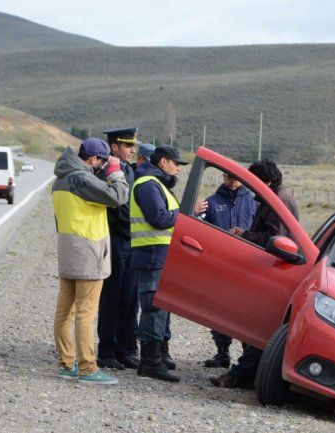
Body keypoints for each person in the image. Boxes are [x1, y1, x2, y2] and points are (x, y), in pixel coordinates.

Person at [211, 159, 299, 389]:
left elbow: (274, 239)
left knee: (260, 326)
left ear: (266, 182)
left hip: (274, 273)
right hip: (270, 271)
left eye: (254, 181)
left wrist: (244, 235)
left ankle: (241, 375)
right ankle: (245, 373)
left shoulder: (277, 201)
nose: (250, 187)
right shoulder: (272, 198)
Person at [51, 138, 129, 385]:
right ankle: (87, 368)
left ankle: (66, 364)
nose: (102, 167)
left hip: (68, 252)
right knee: (85, 313)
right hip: (89, 254)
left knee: (64, 312)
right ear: (93, 159)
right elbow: (118, 197)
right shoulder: (82, 179)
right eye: (102, 162)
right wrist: (115, 172)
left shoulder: (60, 180)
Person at [131, 145, 207, 382]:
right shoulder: (148, 184)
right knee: (153, 309)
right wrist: (188, 212)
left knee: (159, 307)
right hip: (151, 255)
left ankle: (157, 357)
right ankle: (150, 362)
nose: (178, 169)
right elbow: (159, 218)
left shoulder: (157, 184)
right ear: (163, 162)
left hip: (157, 255)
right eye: (176, 164)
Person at [201, 173, 257, 368]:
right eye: (229, 177)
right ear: (223, 176)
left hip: (248, 266)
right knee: (219, 309)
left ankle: (246, 358)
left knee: (246, 312)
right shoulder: (211, 202)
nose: (232, 180)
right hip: (220, 265)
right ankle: (222, 353)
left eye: (235, 177)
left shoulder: (253, 202)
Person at [96, 127, 140, 370]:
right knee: (112, 298)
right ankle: (106, 350)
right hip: (115, 238)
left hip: (130, 240)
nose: (132, 150)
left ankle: (125, 348)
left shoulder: (128, 170)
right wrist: (134, 228)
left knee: (129, 297)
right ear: (114, 147)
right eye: (128, 145)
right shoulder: (108, 171)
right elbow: (119, 206)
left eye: (133, 145)